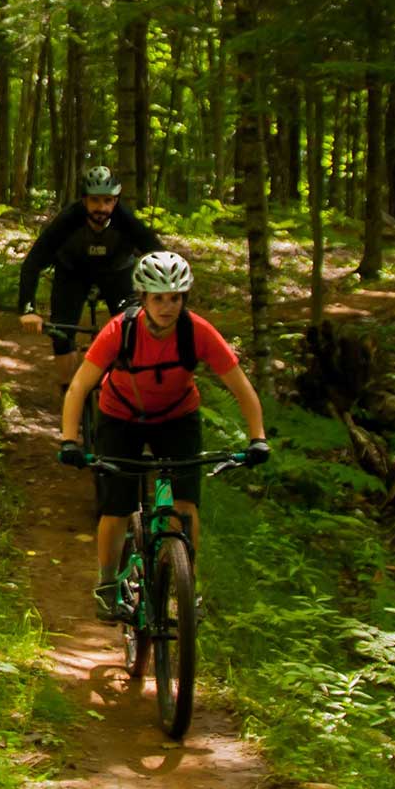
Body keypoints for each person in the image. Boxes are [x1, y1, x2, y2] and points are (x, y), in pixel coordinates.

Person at [55, 251, 269, 620]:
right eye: (158, 298)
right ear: (143, 298)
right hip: (120, 417)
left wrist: (257, 438)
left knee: (184, 506)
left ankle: (186, 585)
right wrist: (69, 440)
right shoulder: (120, 331)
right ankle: (107, 583)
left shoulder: (197, 332)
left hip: (177, 418)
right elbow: (78, 387)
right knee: (117, 507)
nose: (167, 307)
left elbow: (241, 387)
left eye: (175, 298)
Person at [17, 166, 164, 392]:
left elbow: (160, 256)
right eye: (95, 200)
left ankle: (126, 388)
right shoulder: (68, 220)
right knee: (62, 335)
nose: (101, 208)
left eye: (108, 201)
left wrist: (165, 298)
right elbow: (33, 262)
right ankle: (71, 394)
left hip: (117, 273)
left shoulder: (125, 219)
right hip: (72, 273)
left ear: (116, 201)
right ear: (84, 200)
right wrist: (27, 309)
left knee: (132, 327)